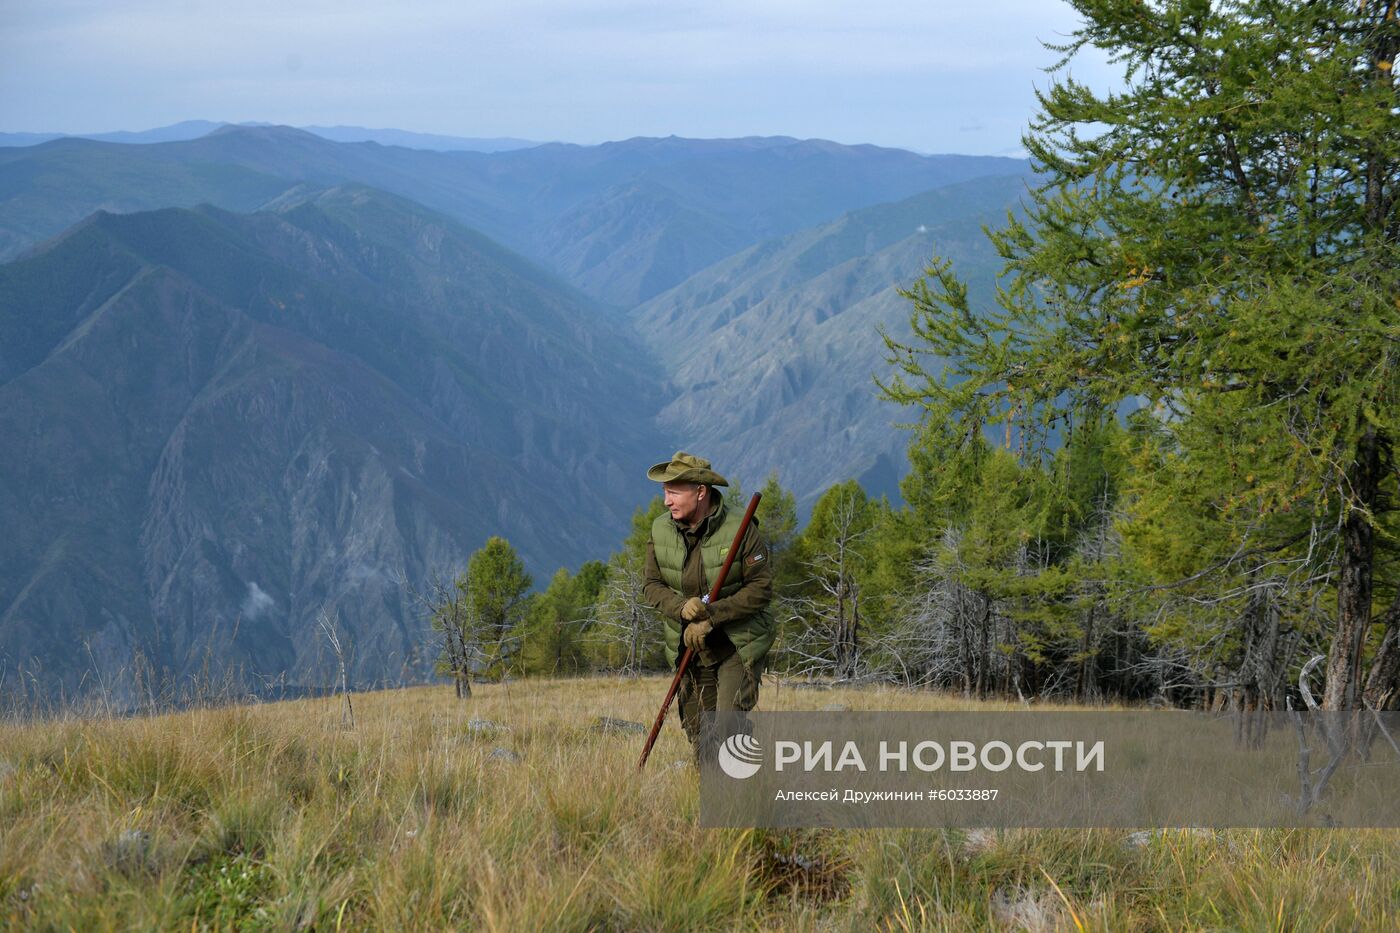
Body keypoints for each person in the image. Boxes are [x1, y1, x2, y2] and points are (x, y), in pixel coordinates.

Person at [641, 451, 775, 765]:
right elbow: (651, 584)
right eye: (664, 492)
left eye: (674, 491)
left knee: (728, 727)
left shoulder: (742, 528)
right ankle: (706, 800)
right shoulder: (661, 530)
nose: (666, 501)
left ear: (700, 492)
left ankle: (742, 803)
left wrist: (711, 617)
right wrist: (681, 608)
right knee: (699, 731)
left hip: (736, 644)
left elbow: (761, 588)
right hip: (688, 645)